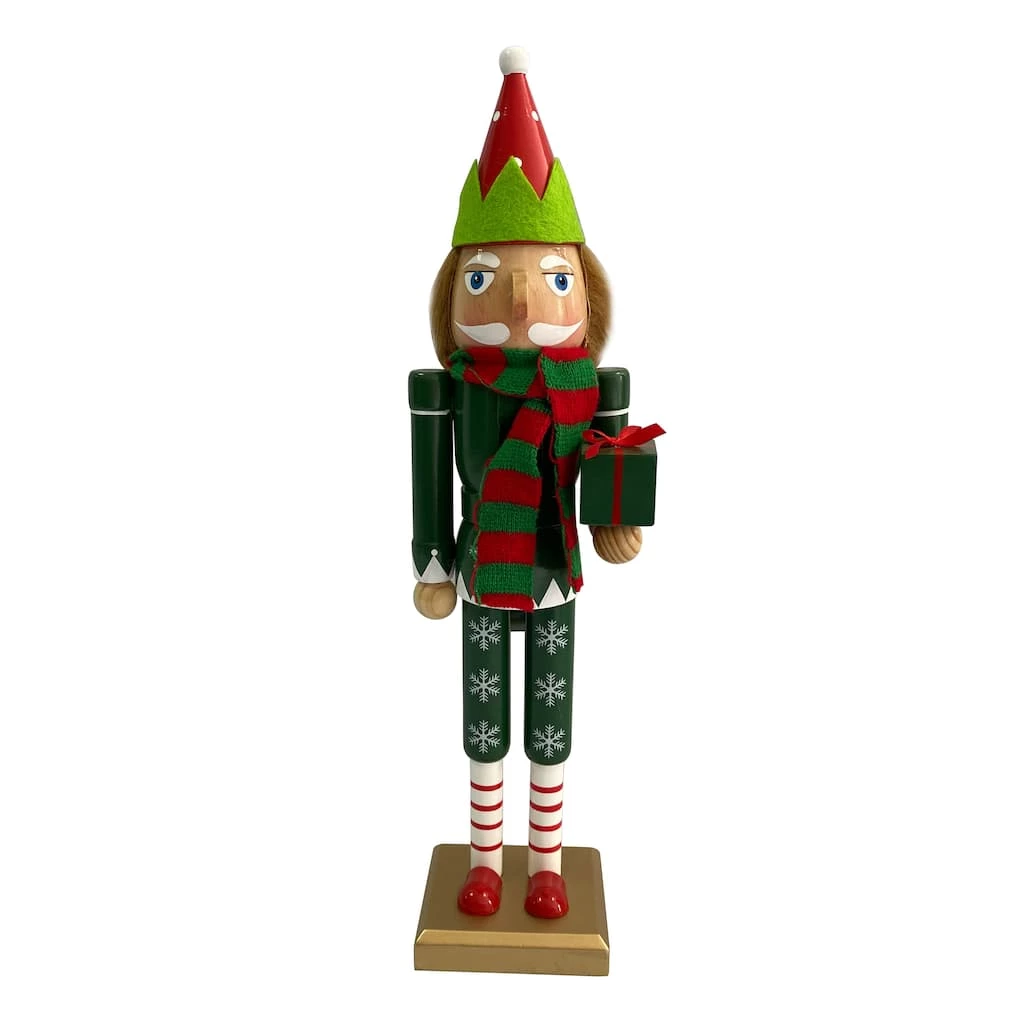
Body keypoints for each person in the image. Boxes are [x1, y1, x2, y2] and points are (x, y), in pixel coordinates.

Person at [409, 46, 640, 919]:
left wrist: (616, 522)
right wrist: (434, 564)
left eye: (551, 279)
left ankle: (544, 862)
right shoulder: (451, 390)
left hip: (552, 570)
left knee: (549, 719)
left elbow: (610, 463)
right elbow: (430, 484)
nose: (516, 302)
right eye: (483, 277)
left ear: (585, 292)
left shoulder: (590, 390)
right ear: (452, 293)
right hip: (479, 567)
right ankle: (483, 858)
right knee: (484, 719)